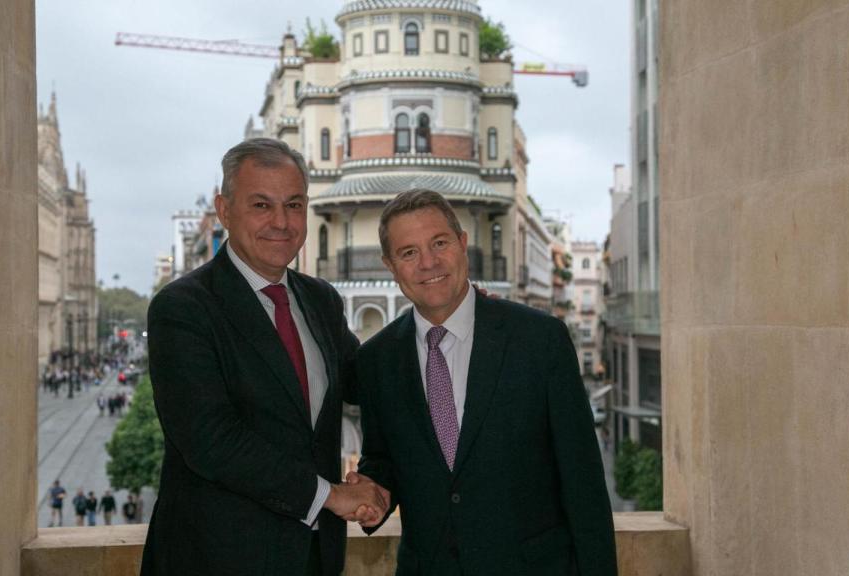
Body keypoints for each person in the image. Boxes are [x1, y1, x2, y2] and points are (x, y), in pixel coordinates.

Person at [140, 138, 387, 576]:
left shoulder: (320, 299)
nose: (281, 222)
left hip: (314, 558)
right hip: (216, 558)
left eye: (294, 205)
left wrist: (435, 317)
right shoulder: (183, 308)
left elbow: (370, 381)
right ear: (224, 209)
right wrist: (330, 496)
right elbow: (211, 441)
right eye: (261, 205)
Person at [356, 190, 619, 575]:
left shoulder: (539, 340)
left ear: (463, 244)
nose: (428, 263)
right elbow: (384, 459)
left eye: (439, 243)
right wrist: (373, 493)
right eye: (408, 253)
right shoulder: (376, 359)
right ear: (390, 266)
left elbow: (585, 486)